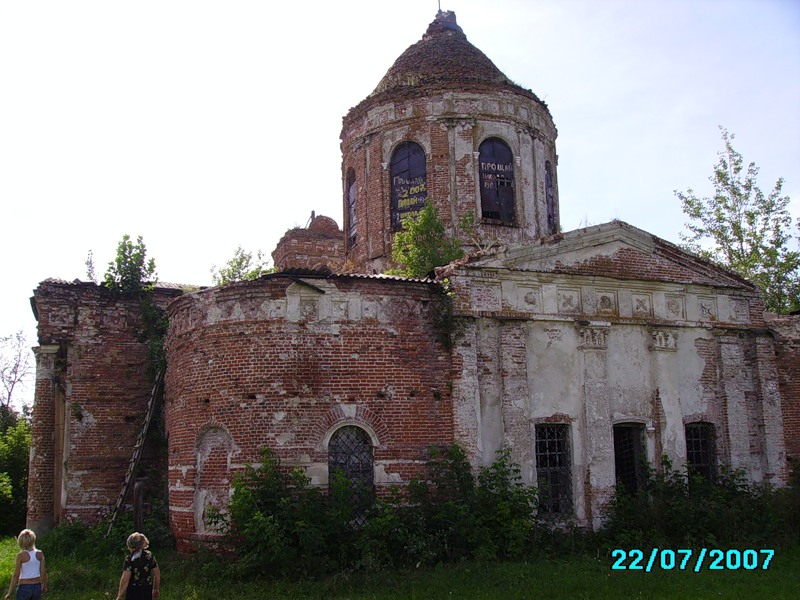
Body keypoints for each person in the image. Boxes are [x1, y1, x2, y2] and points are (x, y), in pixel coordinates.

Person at [4, 529, 47, 600]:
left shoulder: (21, 555)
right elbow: (43, 572)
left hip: (24, 586)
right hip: (37, 586)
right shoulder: (40, 553)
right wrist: (44, 586)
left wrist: (9, 592)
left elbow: (16, 575)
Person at [115, 532, 160, 600]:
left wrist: (120, 596)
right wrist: (155, 589)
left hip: (134, 591)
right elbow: (157, 574)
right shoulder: (149, 555)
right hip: (146, 589)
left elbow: (125, 580)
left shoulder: (130, 559)